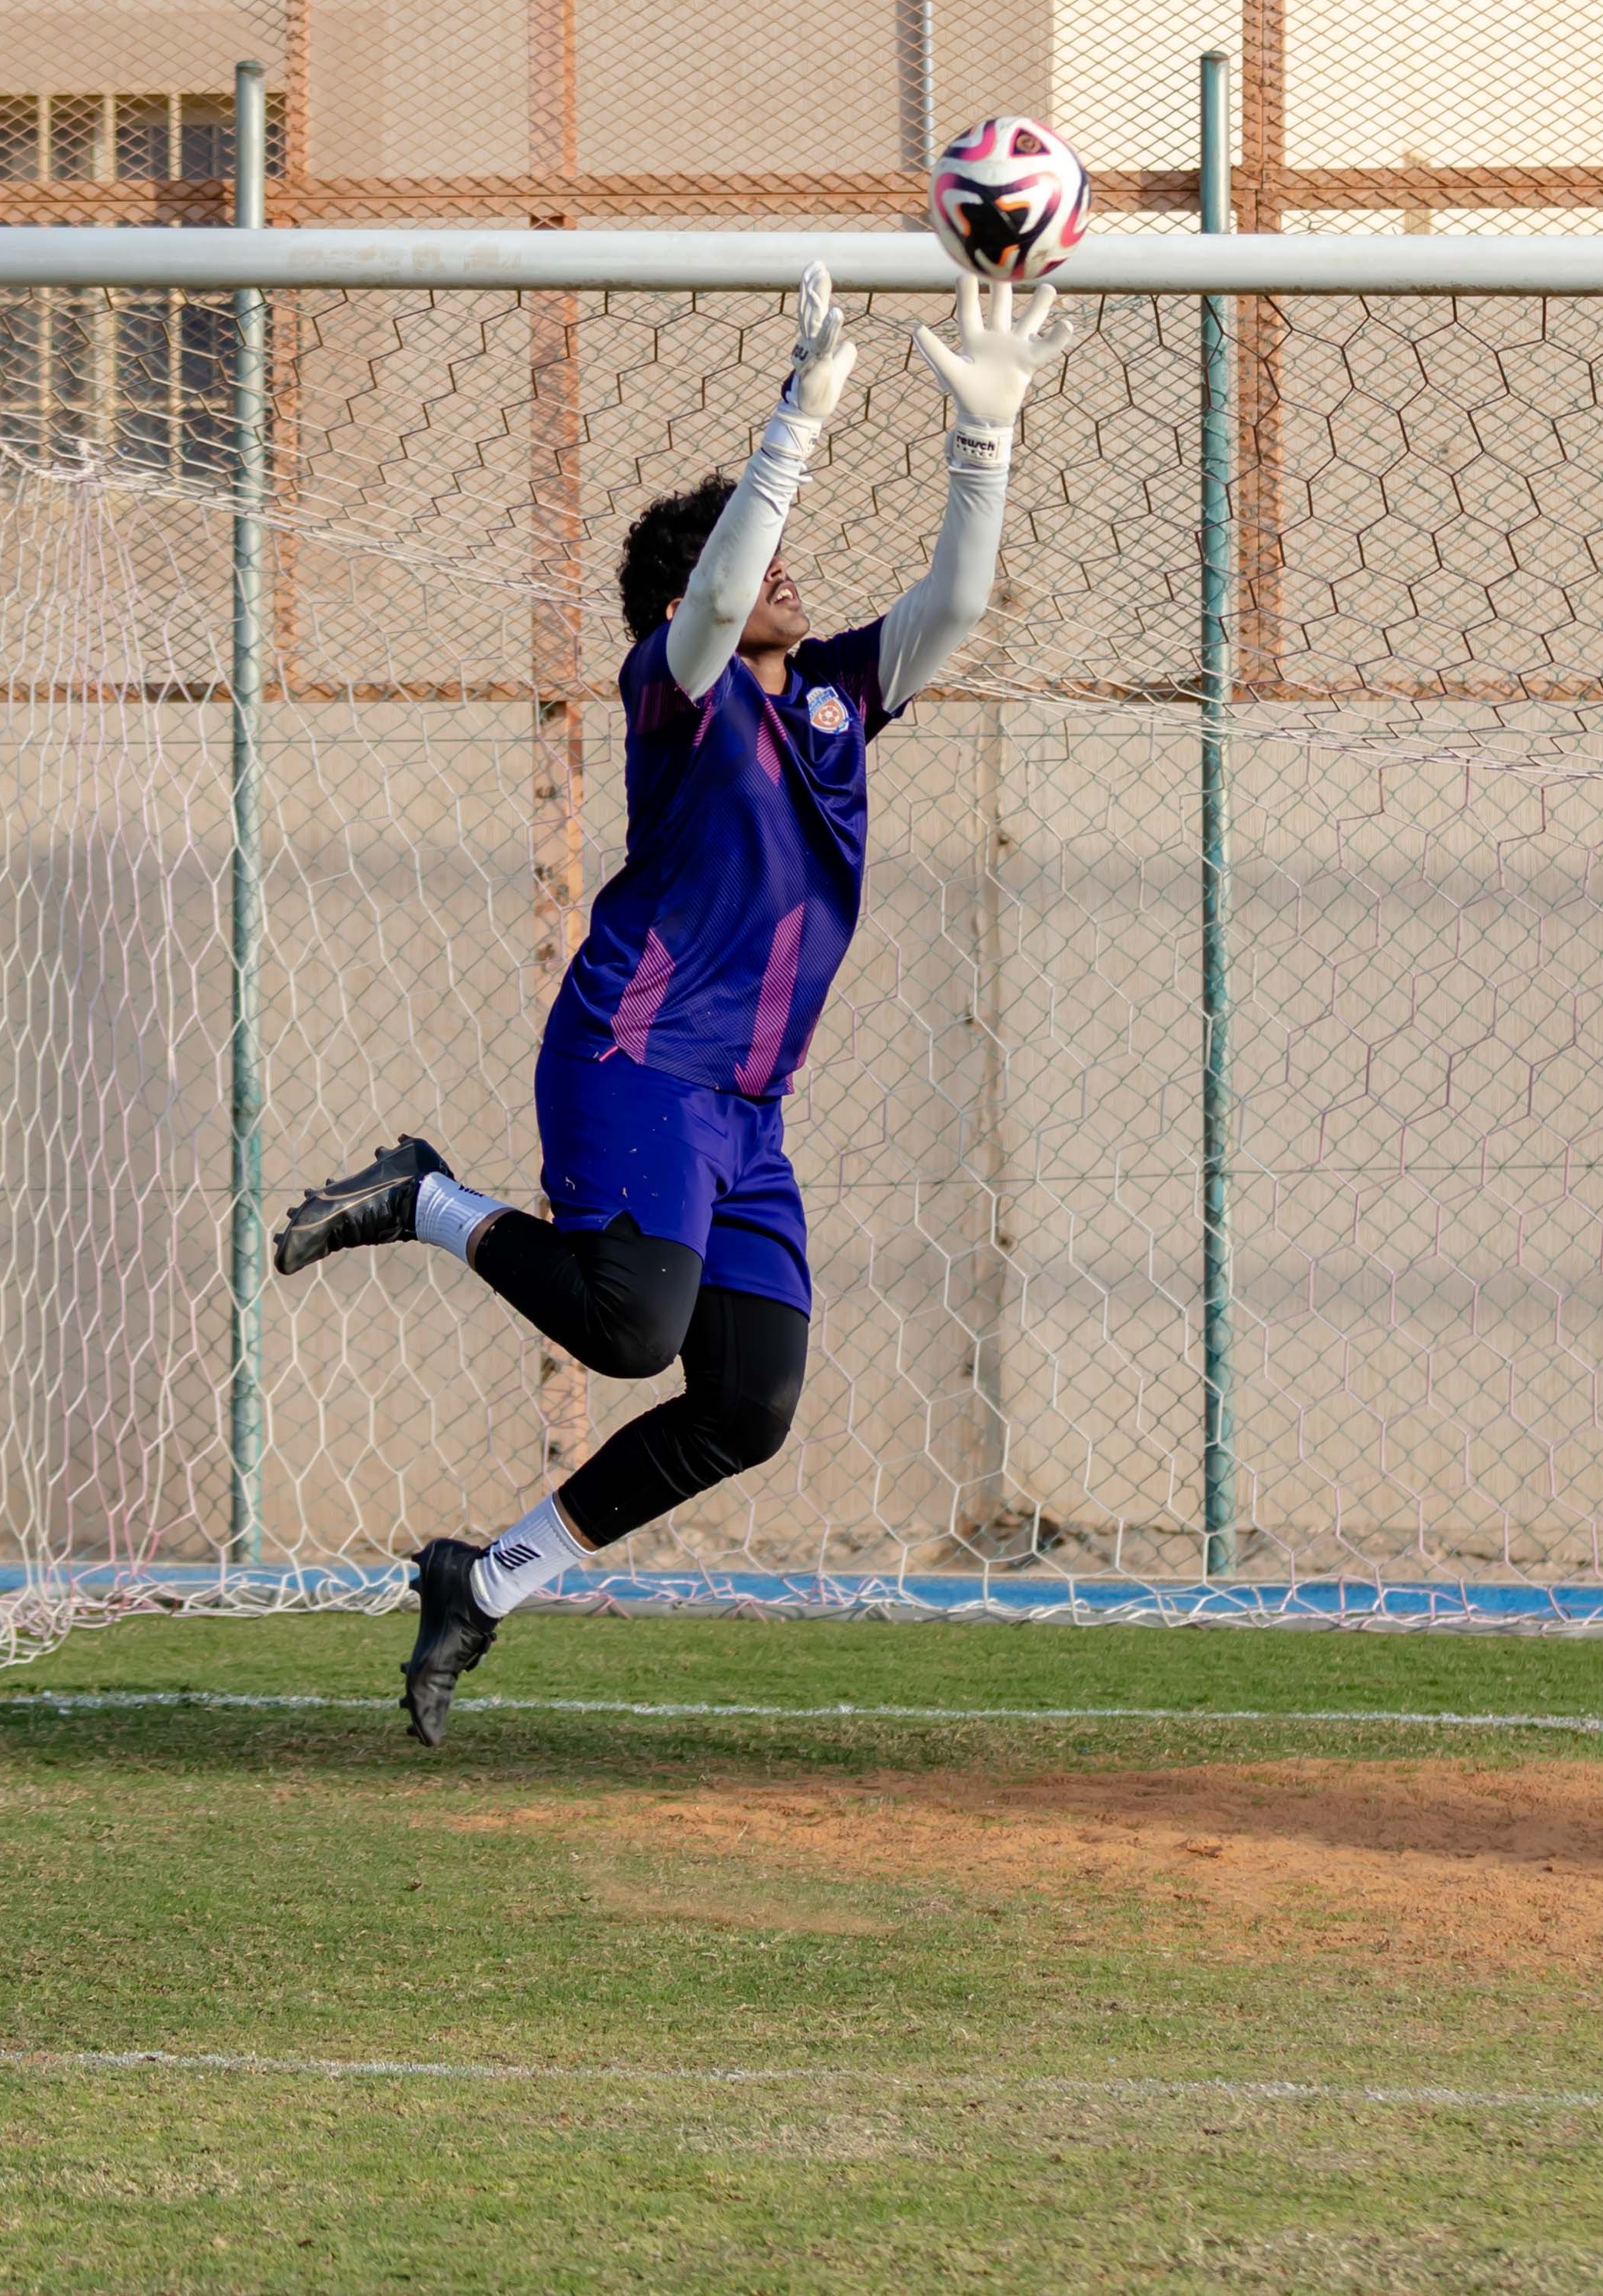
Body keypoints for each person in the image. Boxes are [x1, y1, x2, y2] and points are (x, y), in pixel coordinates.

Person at [275, 264, 1062, 1743]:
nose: (784, 576)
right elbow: (711, 596)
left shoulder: (830, 693)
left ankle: (488, 1577)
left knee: (748, 1399)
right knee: (635, 1334)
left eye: (775, 559)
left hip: (746, 1114)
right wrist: (794, 424)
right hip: (633, 1057)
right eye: (753, 563)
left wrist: (987, 439)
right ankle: (428, 1199)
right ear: (688, 597)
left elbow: (956, 602)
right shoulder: (675, 684)